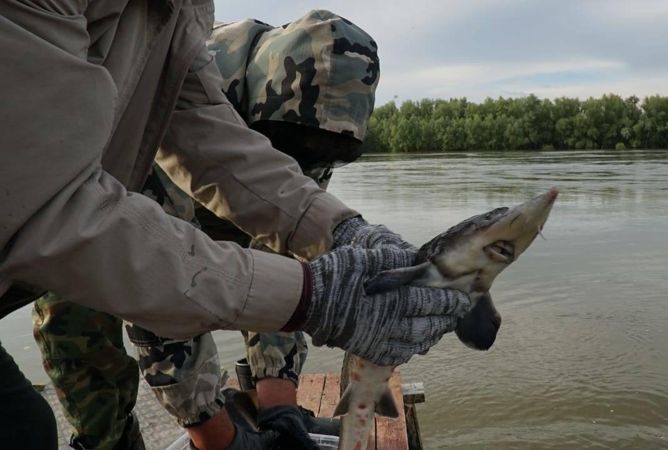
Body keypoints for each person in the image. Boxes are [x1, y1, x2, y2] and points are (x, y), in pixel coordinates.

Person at [0, 3, 471, 450]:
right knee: (69, 346)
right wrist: (214, 432)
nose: (307, 163)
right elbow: (144, 282)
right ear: (258, 102)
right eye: (291, 147)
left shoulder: (302, 116)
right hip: (77, 215)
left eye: (322, 157)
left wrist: (345, 233)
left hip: (68, 217)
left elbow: (267, 218)